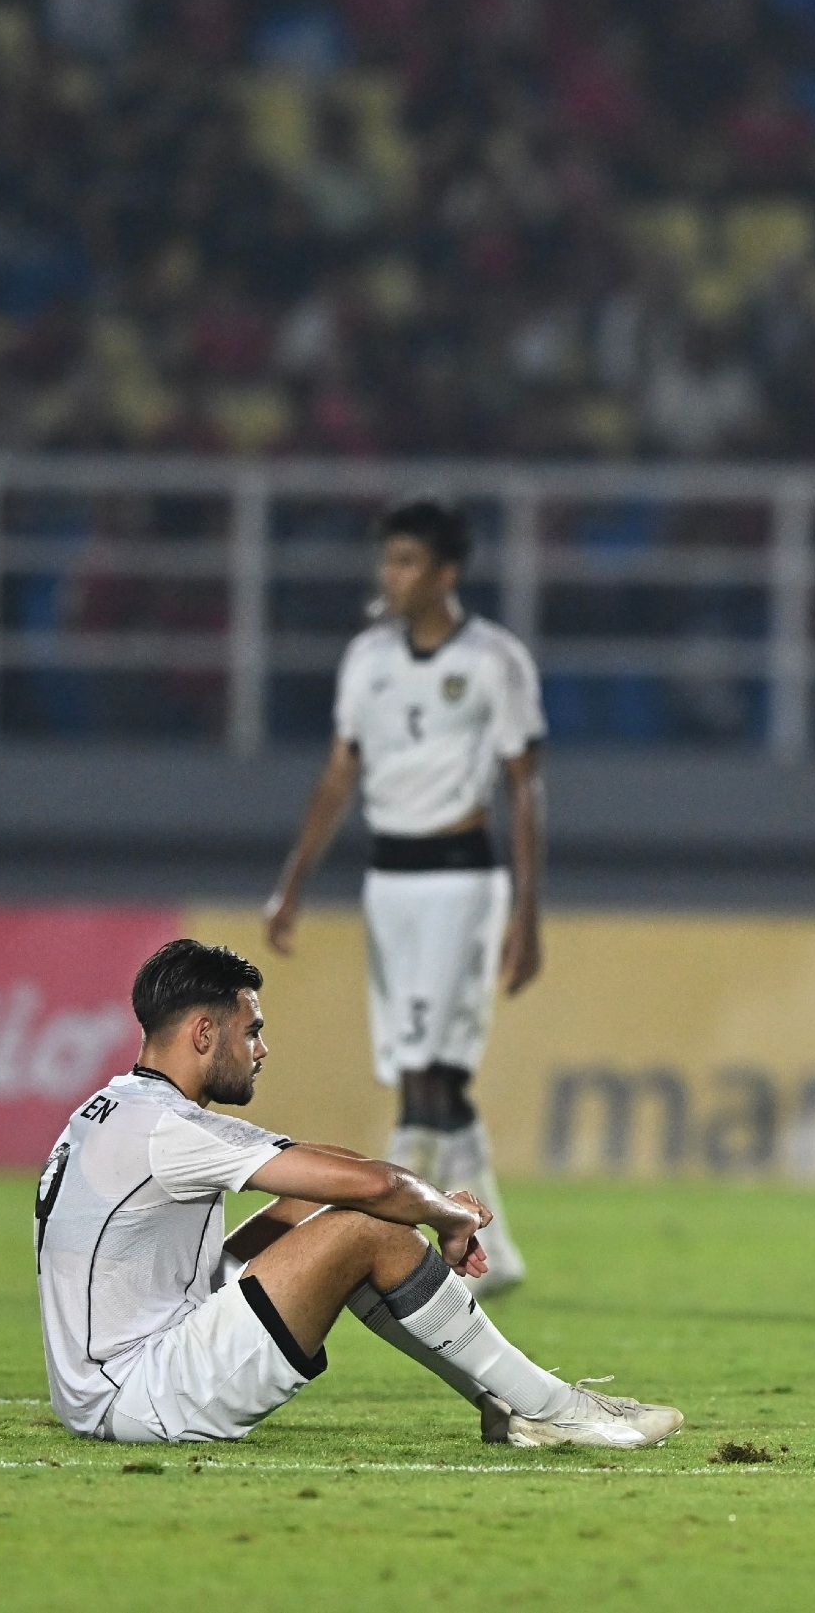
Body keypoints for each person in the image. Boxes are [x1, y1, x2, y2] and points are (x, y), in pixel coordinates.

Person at [35, 939, 679, 1448]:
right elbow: (376, 1186)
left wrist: (413, 1198)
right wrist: (448, 1212)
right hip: (145, 1394)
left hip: (110, 1382)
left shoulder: (116, 1110)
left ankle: (503, 1404)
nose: (263, 1048)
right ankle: (554, 1409)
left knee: (325, 1208)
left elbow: (326, 1179)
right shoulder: (166, 1128)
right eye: (250, 1029)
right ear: (204, 1034)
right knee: (367, 1226)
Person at [265, 497, 547, 1297]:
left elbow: (526, 790)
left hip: (461, 878)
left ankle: (416, 1239)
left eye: (407, 562)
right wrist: (292, 885)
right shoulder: (366, 659)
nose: (390, 575)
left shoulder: (495, 660)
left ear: (446, 574)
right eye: (387, 560)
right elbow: (338, 774)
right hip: (387, 879)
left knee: (429, 1067)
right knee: (422, 1066)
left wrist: (528, 916)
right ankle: (489, 1240)